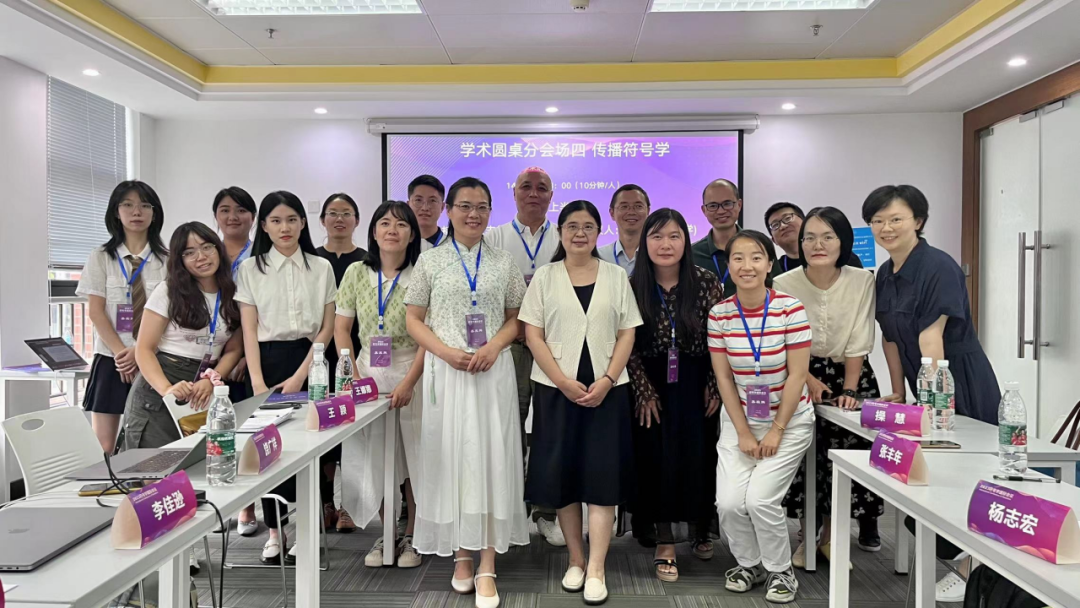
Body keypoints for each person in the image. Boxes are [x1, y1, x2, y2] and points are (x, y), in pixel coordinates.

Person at [863, 185, 1001, 602]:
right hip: (922, 386)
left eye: (896, 219)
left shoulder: (938, 266)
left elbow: (930, 339)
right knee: (932, 480)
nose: (886, 228)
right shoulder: (885, 272)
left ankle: (974, 567)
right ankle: (966, 560)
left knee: (967, 474)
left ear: (918, 221)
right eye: (877, 221)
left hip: (958, 381)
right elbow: (890, 337)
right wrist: (898, 392)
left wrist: (934, 405)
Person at [405, 177, 529, 608]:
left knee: (492, 460)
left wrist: (494, 346)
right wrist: (444, 352)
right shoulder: (430, 261)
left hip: (492, 372)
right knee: (452, 459)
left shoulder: (504, 262)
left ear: (491, 211)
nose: (473, 214)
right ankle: (461, 553)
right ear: (449, 211)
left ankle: (487, 561)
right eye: (464, 206)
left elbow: (517, 318)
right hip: (448, 373)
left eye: (482, 207)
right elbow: (414, 319)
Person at [519, 200, 641, 605]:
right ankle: (576, 559)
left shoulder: (616, 275)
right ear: (560, 232)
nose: (580, 233)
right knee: (563, 475)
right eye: (572, 226)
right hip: (556, 391)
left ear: (598, 232)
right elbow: (532, 334)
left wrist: (607, 380)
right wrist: (561, 382)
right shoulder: (545, 276)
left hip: (608, 390)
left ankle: (597, 567)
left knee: (603, 477)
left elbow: (627, 332)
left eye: (588, 226)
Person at [773, 207, 883, 569]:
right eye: (809, 237)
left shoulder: (862, 280)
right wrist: (806, 377)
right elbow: (784, 341)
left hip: (851, 374)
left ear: (842, 241)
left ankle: (831, 538)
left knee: (842, 458)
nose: (817, 245)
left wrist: (849, 391)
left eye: (827, 237)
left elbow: (859, 339)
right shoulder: (784, 283)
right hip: (798, 373)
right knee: (805, 457)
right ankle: (807, 535)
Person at [709, 229, 813, 605]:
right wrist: (743, 432)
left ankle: (780, 570)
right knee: (728, 503)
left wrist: (776, 430)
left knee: (760, 500)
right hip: (739, 420)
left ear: (770, 264)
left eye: (756, 257)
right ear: (729, 265)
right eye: (738, 258)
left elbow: (798, 375)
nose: (747, 265)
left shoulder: (790, 309)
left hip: (789, 421)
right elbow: (723, 378)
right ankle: (749, 564)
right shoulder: (720, 314)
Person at [235, 191, 338, 564]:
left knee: (311, 448)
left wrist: (301, 375)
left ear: (303, 223)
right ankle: (275, 532)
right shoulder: (250, 269)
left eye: (292, 219)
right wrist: (258, 384)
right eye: (276, 221)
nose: (285, 227)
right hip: (265, 363)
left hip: (311, 361)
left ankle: (308, 531)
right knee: (268, 451)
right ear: (263, 226)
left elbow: (327, 327)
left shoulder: (321, 267)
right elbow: (248, 331)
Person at [626, 209, 723, 583]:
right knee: (656, 459)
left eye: (674, 236)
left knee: (699, 455)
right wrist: (643, 389)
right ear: (644, 242)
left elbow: (719, 338)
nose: (665, 245)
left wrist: (714, 383)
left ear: (686, 240)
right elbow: (624, 342)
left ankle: (699, 528)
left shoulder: (706, 282)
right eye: (656, 237)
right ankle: (664, 541)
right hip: (648, 383)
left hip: (697, 381)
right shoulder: (632, 284)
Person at [336, 201, 425, 569]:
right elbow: (342, 329)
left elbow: (428, 335)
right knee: (377, 457)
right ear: (373, 231)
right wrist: (354, 376)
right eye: (385, 223)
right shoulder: (357, 271)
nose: (392, 230)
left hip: (412, 370)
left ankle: (415, 535)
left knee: (415, 455)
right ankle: (387, 533)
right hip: (368, 371)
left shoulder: (422, 271)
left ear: (412, 234)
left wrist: (410, 381)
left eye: (401, 225)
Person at [486, 166, 564, 547]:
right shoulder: (493, 237)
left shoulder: (564, 236)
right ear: (514, 192)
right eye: (526, 187)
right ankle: (510, 511)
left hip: (554, 348)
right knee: (509, 427)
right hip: (510, 347)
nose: (534, 193)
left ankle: (545, 512)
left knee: (550, 430)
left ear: (551, 195)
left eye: (542, 188)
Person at [124, 222, 244, 449]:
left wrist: (212, 379)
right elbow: (144, 349)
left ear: (218, 249)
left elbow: (234, 349)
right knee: (154, 464)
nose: (201, 257)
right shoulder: (168, 291)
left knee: (201, 459)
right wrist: (166, 389)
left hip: (206, 386)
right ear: (179, 260)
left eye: (207, 247)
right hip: (162, 383)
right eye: (189, 253)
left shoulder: (233, 292)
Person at [77, 180, 168, 454]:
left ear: (154, 213)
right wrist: (122, 354)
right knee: (104, 446)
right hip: (112, 359)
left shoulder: (168, 260)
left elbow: (173, 315)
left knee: (150, 443)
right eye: (127, 205)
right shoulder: (101, 257)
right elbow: (96, 312)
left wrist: (140, 352)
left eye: (144, 205)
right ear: (116, 212)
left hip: (154, 358)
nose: (136, 211)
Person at [314, 192, 367, 534]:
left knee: (354, 435)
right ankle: (326, 503)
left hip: (355, 351)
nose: (339, 219)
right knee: (324, 431)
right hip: (321, 356)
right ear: (322, 220)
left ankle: (348, 505)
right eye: (332, 213)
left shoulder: (365, 261)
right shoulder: (312, 259)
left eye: (346, 213)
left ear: (357, 221)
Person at [212, 186, 260, 536]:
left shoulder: (261, 255)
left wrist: (243, 353)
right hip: (206, 354)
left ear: (253, 217)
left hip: (245, 354)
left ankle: (247, 507)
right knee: (210, 434)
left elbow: (259, 311)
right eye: (225, 210)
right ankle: (217, 502)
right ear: (215, 215)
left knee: (244, 431)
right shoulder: (205, 252)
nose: (233, 216)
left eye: (241, 210)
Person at [764, 202, 863, 272]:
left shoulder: (843, 257)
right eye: (775, 225)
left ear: (805, 223)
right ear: (773, 240)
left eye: (787, 218)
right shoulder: (772, 270)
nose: (783, 226)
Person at [691, 178, 744, 297]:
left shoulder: (759, 247)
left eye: (727, 204)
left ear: (739, 205)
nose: (721, 211)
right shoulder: (692, 254)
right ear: (704, 210)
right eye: (713, 206)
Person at [598, 184, 650, 275]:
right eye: (624, 207)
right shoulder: (600, 256)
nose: (631, 212)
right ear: (612, 213)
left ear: (648, 211)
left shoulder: (656, 253)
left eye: (638, 206)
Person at [407, 175, 446, 251]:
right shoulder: (398, 244)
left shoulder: (453, 247)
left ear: (442, 207)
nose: (425, 208)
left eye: (432, 201)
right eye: (418, 200)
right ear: (408, 205)